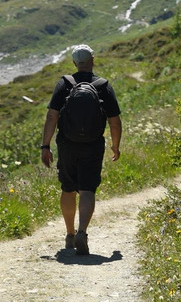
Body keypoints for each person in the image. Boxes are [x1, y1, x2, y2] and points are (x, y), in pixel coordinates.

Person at [40, 44, 122, 255]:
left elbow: (52, 116)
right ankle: (82, 233)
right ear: (92, 60)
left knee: (68, 188)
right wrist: (116, 145)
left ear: (75, 63)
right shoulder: (103, 86)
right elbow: (114, 121)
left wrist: (45, 145)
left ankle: (69, 234)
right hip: (93, 144)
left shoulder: (65, 84)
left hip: (67, 143)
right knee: (87, 189)